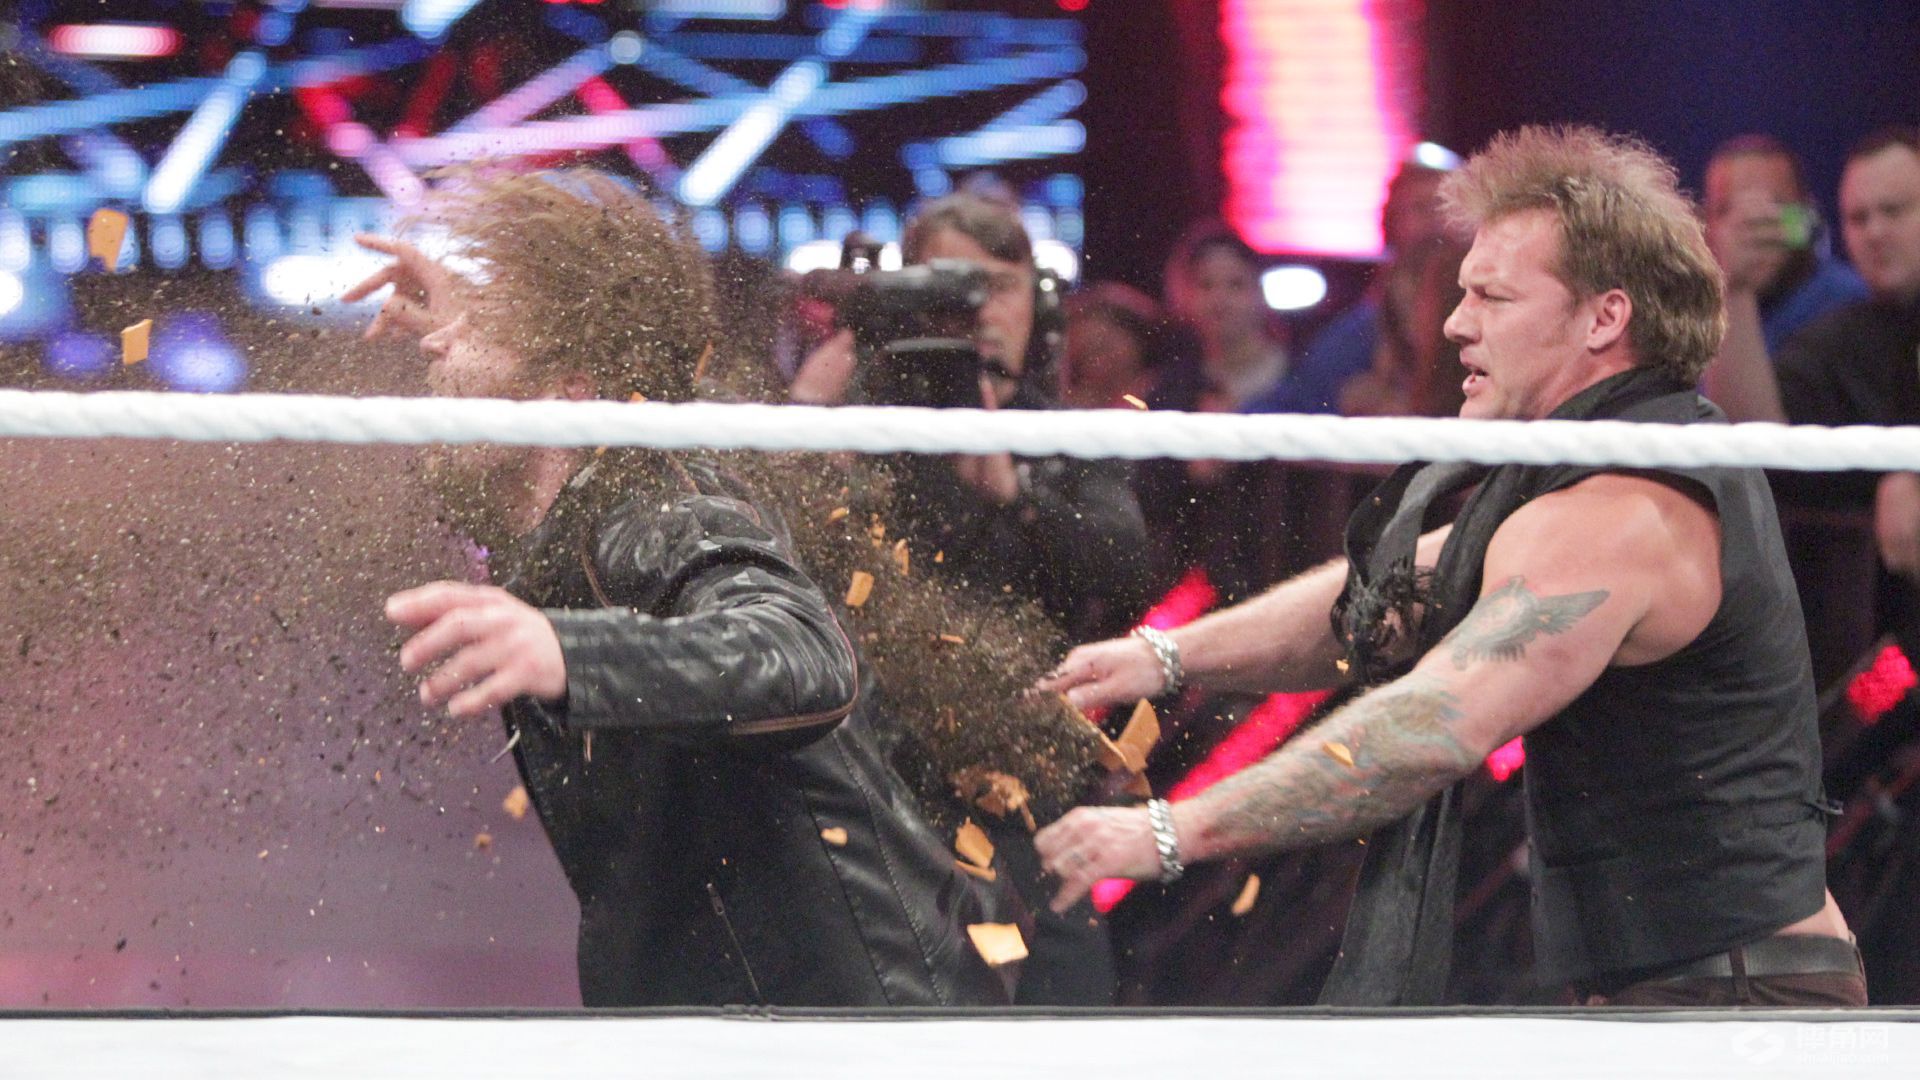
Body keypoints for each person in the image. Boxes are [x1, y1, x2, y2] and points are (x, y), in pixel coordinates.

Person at [1034, 125, 1865, 1007]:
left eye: (1492, 297)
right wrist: (1163, 656)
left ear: (1604, 318)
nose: (1455, 323)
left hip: (1736, 1000)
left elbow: (1432, 727)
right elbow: (1385, 595)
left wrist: (1172, 831)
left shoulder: (1621, 514)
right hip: (1682, 989)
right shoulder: (1579, 474)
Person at [345, 168, 1012, 1007]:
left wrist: (571, 653)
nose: (435, 346)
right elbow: (591, 354)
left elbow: (804, 651)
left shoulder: (656, 510)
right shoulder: (595, 495)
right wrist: (480, 314)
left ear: (571, 386)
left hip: (844, 1023)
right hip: (743, 1010)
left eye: (480, 329)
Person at [790, 190, 1151, 645]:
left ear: (1038, 305)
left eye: (1000, 286)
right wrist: (805, 427)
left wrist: (1019, 498)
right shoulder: (858, 424)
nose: (980, 311)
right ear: (908, 294)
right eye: (951, 287)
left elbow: (1129, 577)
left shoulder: (1072, 438)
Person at [1242, 159, 1454, 416]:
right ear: (1391, 224)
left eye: (1445, 207)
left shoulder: (1486, 321)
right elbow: (1289, 407)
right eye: (1420, 208)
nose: (1435, 221)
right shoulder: (1352, 339)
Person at [1058, 281, 1166, 410]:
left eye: (1102, 348)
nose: (1098, 363)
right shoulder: (1067, 407)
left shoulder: (1161, 399)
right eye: (1085, 357)